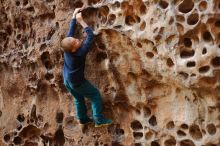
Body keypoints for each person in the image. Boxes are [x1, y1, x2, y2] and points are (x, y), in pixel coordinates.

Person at [61, 7, 113, 127]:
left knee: (78, 98)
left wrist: (74, 16)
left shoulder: (67, 48)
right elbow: (90, 36)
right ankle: (99, 119)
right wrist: (82, 21)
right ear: (74, 49)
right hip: (78, 82)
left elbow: (71, 31)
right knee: (95, 95)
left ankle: (83, 119)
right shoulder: (79, 53)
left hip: (67, 80)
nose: (78, 40)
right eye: (76, 42)